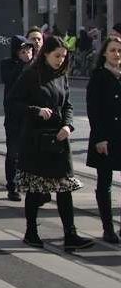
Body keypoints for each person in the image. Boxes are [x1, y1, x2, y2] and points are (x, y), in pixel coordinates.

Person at [16, 36, 93, 251]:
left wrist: (68, 126)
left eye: (64, 56)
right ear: (46, 54)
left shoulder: (62, 76)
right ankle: (31, 232)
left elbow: (67, 104)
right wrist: (36, 111)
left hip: (59, 139)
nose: (61, 60)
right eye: (57, 56)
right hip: (36, 140)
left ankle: (70, 234)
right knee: (35, 187)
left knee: (64, 187)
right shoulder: (31, 75)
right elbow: (13, 103)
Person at [86, 35, 121, 243]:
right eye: (113, 50)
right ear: (105, 54)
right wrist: (99, 138)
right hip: (106, 137)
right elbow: (94, 109)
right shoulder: (99, 76)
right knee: (105, 182)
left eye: (119, 51)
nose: (117, 54)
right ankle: (108, 228)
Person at [0, 37, 35, 201]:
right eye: (23, 50)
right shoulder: (8, 63)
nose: (27, 53)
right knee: (13, 152)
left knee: (29, 152)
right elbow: (8, 79)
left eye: (29, 50)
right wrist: (22, 62)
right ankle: (12, 186)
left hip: (31, 114)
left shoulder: (36, 65)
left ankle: (29, 184)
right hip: (14, 116)